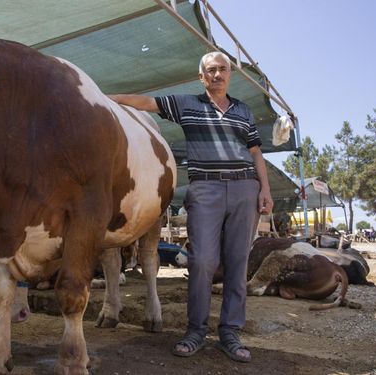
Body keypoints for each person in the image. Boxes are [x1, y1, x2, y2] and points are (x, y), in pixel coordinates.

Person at [109, 51, 273, 363]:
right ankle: (196, 331)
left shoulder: (244, 110)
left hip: (244, 187)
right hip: (205, 189)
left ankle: (230, 334)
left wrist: (264, 189)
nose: (217, 74)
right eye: (211, 70)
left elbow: (255, 152)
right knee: (201, 262)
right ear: (202, 77)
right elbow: (145, 103)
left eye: (223, 69)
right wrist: (99, 95)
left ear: (229, 75)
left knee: (238, 264)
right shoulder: (187, 104)